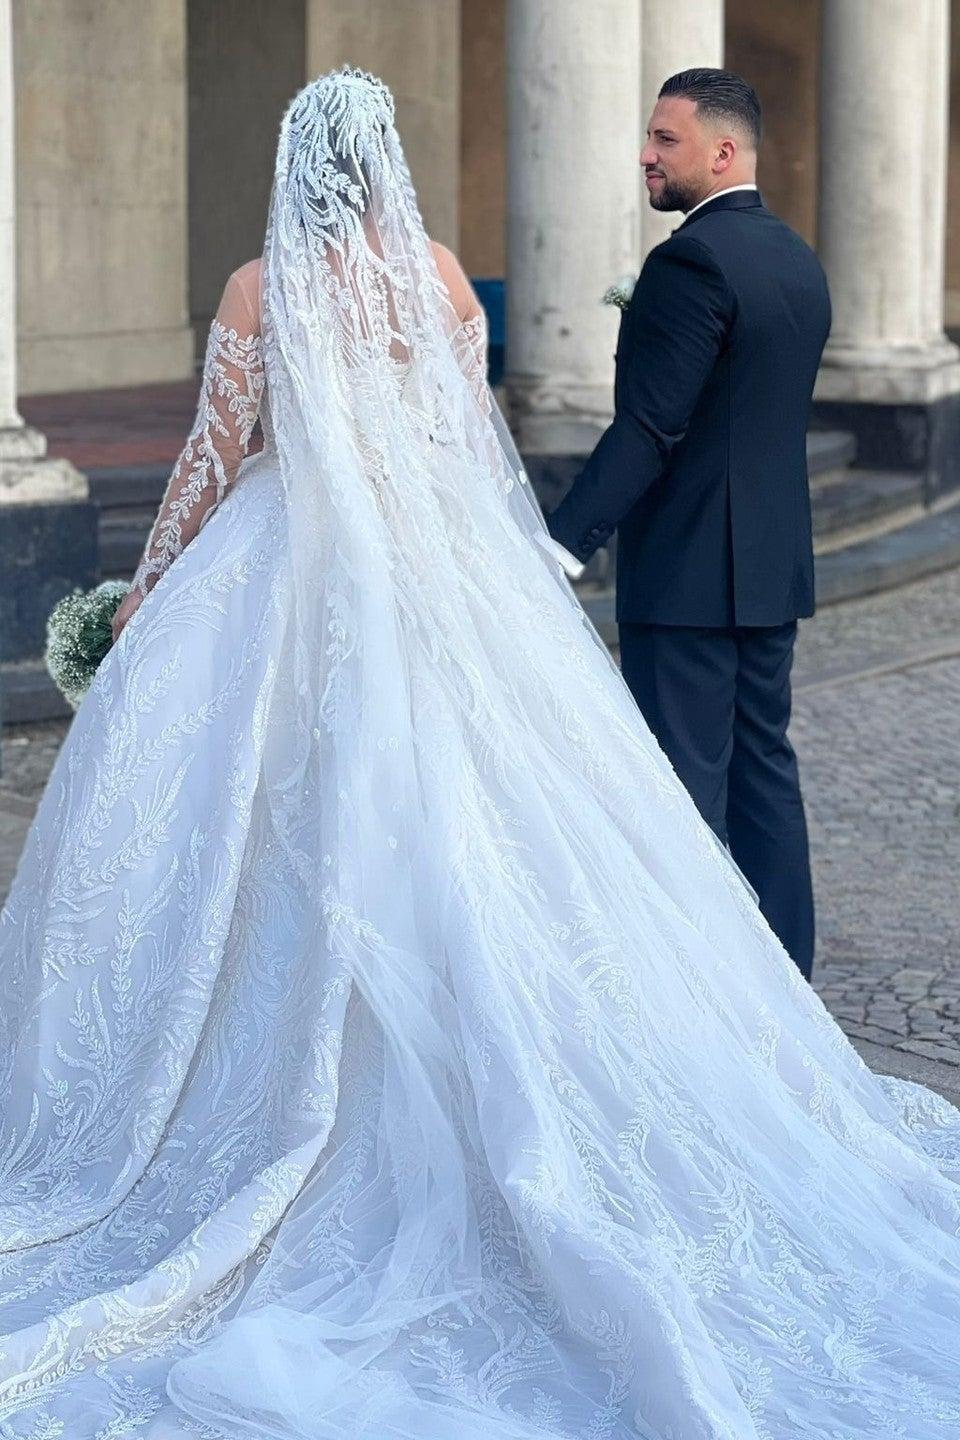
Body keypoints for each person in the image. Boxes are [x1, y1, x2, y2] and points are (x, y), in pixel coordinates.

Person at [0, 67, 959, 1440]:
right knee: (493, 822)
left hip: (282, 574)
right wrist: (503, 570)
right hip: (438, 573)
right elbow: (465, 446)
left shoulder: (256, 293)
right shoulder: (444, 276)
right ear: (384, 161)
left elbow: (211, 467)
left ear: (295, 163)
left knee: (257, 831)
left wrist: (147, 592)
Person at [548, 69, 829, 980]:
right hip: (769, 569)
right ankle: (786, 985)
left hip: (687, 577)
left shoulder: (689, 262)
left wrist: (559, 545)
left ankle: (695, 1000)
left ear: (722, 150)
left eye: (665, 140)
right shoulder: (795, 257)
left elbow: (651, 428)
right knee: (763, 779)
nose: (644, 154)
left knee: (679, 795)